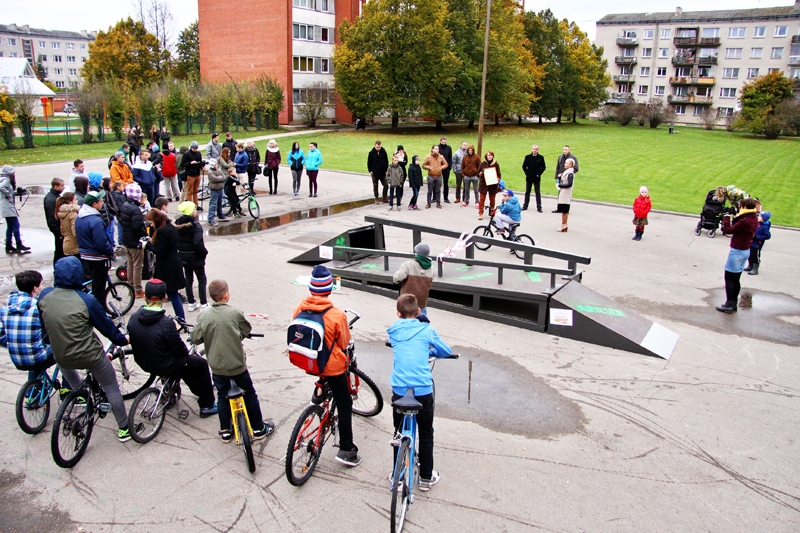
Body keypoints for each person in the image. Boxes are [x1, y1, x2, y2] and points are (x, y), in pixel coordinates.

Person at [38, 256, 133, 442]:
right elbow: (108, 330)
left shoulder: (44, 297)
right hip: (90, 355)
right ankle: (124, 429)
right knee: (111, 386)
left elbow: (45, 327)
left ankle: (82, 397)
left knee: (74, 380)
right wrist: (123, 340)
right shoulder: (87, 301)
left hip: (61, 354)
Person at [192, 279, 275, 443]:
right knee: (249, 394)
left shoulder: (204, 315)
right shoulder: (235, 313)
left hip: (216, 366)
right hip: (237, 365)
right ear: (226, 295)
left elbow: (196, 338)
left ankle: (225, 431)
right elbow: (245, 330)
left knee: (222, 396)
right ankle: (258, 428)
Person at [292, 266, 358, 466]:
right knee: (345, 403)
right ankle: (347, 449)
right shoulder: (336, 315)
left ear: (311, 289)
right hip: (331, 366)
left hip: (307, 360)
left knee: (323, 362)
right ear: (329, 290)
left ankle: (319, 392)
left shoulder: (299, 308)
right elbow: (344, 343)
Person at [387, 293, 452, 491]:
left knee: (399, 433)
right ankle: (425, 478)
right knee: (425, 433)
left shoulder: (394, 330)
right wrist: (430, 352)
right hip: (422, 390)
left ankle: (397, 477)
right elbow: (446, 351)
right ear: (418, 312)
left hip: (400, 389)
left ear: (398, 313)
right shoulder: (427, 330)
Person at [128, 279, 218, 417]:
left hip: (144, 361)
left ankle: (169, 395)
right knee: (199, 364)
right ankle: (207, 404)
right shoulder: (165, 323)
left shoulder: (133, 318)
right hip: (163, 364)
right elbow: (179, 350)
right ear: (164, 297)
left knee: (164, 354)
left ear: (145, 297)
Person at [0, 270, 79, 391]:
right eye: (41, 285)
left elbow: (1, 335)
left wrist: (14, 342)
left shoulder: (4, 309)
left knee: (33, 350)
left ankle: (30, 395)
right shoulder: (39, 307)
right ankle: (68, 389)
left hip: (16, 357)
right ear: (35, 288)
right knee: (63, 350)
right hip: (37, 357)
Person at [717, 198, 759, 313]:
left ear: (744, 207)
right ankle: (733, 302)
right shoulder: (753, 218)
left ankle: (729, 303)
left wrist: (726, 217)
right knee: (736, 279)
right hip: (744, 251)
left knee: (729, 278)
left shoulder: (745, 221)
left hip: (737, 251)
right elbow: (738, 223)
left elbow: (728, 230)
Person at [145, 209, 186, 321]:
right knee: (172, 294)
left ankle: (178, 319)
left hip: (166, 267)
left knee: (165, 293)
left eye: (151, 222)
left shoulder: (162, 231)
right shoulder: (171, 227)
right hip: (174, 263)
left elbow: (160, 251)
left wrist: (147, 245)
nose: (151, 225)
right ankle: (181, 319)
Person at [75, 190, 113, 303]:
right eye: (100, 201)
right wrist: (110, 251)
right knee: (99, 288)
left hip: (85, 254)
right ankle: (98, 310)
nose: (102, 203)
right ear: (94, 204)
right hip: (97, 257)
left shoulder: (80, 217)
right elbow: (101, 242)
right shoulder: (96, 221)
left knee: (92, 282)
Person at [176, 202, 208, 311]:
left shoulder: (177, 224)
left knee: (188, 279)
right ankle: (203, 302)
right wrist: (204, 252)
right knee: (202, 279)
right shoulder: (195, 226)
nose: (195, 211)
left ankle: (191, 302)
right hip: (195, 256)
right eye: (194, 209)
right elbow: (198, 243)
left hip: (183, 256)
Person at [119, 183, 148, 299]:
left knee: (130, 264)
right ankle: (138, 289)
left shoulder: (125, 205)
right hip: (134, 241)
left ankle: (130, 287)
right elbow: (137, 227)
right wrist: (144, 233)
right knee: (138, 266)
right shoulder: (135, 209)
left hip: (126, 239)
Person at [393, 242, 434, 317]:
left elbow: (397, 278)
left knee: (405, 322)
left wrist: (396, 281)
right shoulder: (431, 268)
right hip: (422, 302)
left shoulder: (408, 265)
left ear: (417, 252)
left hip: (407, 301)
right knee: (423, 322)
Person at [1, 166, 30, 255]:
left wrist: (18, 193)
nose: (14, 174)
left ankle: (9, 244)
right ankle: (19, 244)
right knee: (16, 225)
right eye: (13, 172)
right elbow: (1, 187)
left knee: (10, 226)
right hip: (8, 206)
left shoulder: (3, 178)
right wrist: (9, 195)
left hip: (5, 206)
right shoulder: (7, 180)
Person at [44, 177, 65, 266]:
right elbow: (51, 218)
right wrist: (59, 232)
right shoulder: (51, 199)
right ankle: (57, 268)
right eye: (61, 186)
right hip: (58, 231)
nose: (63, 188)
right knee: (59, 251)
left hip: (60, 229)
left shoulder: (56, 197)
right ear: (55, 186)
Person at [745, 212, 771, 276]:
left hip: (757, 244)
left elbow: (767, 236)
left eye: (759, 216)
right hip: (751, 242)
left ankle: (755, 268)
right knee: (750, 255)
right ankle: (750, 266)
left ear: (763, 219)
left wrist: (757, 237)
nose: (758, 217)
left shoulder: (765, 227)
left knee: (755, 256)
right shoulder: (758, 224)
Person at [521, 144, 546, 212]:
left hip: (536, 178)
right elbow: (524, 166)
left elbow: (543, 167)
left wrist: (538, 174)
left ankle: (539, 207)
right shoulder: (528, 157)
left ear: (538, 150)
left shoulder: (541, 157)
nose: (535, 150)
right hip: (529, 177)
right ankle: (525, 205)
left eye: (536, 149)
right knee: (527, 191)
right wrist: (527, 174)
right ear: (532, 149)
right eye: (534, 149)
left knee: (537, 192)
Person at [477, 151, 501, 220]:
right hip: (483, 184)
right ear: (486, 156)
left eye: (491, 155)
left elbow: (499, 174)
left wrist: (498, 178)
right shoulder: (482, 164)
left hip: (493, 184)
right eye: (488, 155)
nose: (490, 157)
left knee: (492, 199)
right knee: (482, 199)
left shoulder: (496, 164)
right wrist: (481, 173)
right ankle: (480, 213)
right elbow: (478, 173)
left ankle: (492, 212)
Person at [57, 192, 79, 258]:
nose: (76, 201)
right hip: (75, 245)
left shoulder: (62, 213)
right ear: (70, 202)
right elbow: (75, 231)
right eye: (75, 200)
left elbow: (62, 230)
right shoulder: (73, 214)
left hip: (66, 243)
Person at [181, 141, 204, 206]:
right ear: (191, 147)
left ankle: (196, 204)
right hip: (190, 174)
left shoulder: (198, 153)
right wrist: (190, 163)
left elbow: (200, 162)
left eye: (196, 149)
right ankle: (190, 204)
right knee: (190, 190)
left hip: (197, 173)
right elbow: (183, 164)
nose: (195, 150)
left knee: (196, 190)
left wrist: (201, 166)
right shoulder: (187, 154)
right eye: (194, 148)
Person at [556, 159, 575, 232]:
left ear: (570, 165)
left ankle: (564, 225)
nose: (565, 164)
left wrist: (561, 185)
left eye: (567, 163)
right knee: (564, 211)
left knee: (565, 211)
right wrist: (560, 177)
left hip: (566, 194)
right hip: (563, 193)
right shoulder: (566, 172)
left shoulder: (570, 173)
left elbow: (569, 184)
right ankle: (564, 225)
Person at [206, 159, 227, 227]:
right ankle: (210, 219)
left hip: (220, 188)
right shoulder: (210, 172)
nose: (217, 165)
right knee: (213, 204)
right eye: (215, 164)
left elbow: (224, 177)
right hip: (214, 189)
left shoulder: (219, 170)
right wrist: (220, 178)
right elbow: (215, 179)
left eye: (217, 164)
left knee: (219, 204)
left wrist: (219, 178)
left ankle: (220, 215)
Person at [438, 137, 453, 203]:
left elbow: (450, 157)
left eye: (445, 142)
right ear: (440, 141)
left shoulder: (449, 148)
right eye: (443, 142)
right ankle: (435, 197)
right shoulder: (437, 147)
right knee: (437, 183)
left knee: (446, 183)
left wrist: (449, 167)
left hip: (446, 167)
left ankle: (446, 198)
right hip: (438, 167)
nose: (444, 143)